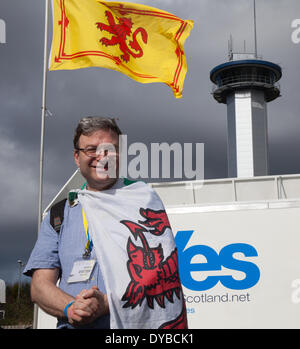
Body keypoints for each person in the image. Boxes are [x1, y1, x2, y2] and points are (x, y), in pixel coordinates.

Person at [24, 116, 187, 329]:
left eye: (110, 149)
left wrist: (107, 305)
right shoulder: (60, 213)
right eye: (91, 149)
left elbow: (160, 274)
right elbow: (39, 287)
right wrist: (72, 308)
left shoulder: (144, 200)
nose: (101, 157)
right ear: (76, 156)